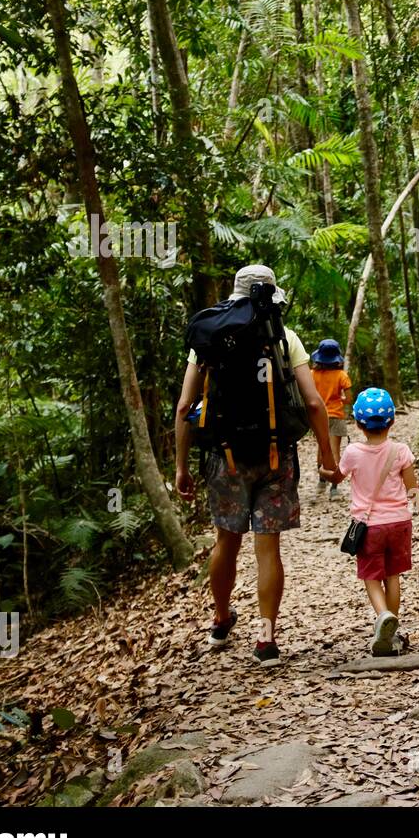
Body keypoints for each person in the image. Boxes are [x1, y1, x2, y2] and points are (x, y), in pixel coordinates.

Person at [174, 265, 338, 667]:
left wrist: (181, 467)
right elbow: (314, 403)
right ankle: (266, 639)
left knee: (225, 541)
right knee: (268, 549)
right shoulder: (286, 337)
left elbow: (184, 408)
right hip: (274, 454)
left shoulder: (209, 338)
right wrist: (326, 454)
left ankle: (220, 619)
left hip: (225, 455)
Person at [320, 388, 419, 656]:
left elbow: (337, 478)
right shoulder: (400, 451)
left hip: (369, 526)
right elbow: (413, 492)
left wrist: (324, 472)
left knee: (372, 577)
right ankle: (391, 631)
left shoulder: (352, 452)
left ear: (359, 424)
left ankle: (383, 616)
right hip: (399, 524)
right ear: (392, 420)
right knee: (392, 575)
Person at [310, 338, 353, 500]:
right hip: (336, 415)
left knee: (321, 448)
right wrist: (338, 399)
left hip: (318, 416)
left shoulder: (312, 374)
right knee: (335, 451)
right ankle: (334, 489)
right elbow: (349, 398)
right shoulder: (342, 375)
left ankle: (321, 481)